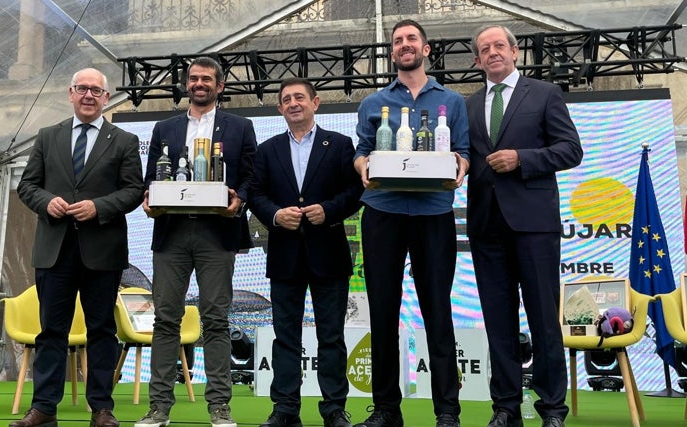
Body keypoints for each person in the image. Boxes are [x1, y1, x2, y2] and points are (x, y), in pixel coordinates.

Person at [352, 19, 469, 427]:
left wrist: (461, 166)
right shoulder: (373, 103)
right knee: (383, 311)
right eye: (398, 40)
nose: (405, 45)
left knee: (438, 311)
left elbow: (464, 152)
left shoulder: (452, 102)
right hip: (382, 212)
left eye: (411, 39)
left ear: (426, 49)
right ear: (392, 52)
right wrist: (362, 164)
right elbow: (362, 151)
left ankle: (447, 411)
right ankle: (386, 409)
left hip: (434, 213)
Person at [465, 25, 583, 427]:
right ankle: (506, 407)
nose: (493, 52)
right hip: (485, 228)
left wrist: (522, 159)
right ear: (478, 60)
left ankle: (552, 408)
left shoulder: (545, 93)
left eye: (500, 45)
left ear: (515, 52)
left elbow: (571, 150)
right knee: (498, 322)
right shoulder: (468, 104)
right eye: (485, 49)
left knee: (544, 320)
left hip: (533, 226)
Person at [14, 67, 144, 427]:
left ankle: (102, 409)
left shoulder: (124, 141)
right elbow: (28, 186)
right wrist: (46, 202)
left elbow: (134, 190)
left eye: (96, 90)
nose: (89, 95)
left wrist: (99, 206)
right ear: (70, 94)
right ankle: (43, 409)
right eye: (82, 89)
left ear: (106, 98)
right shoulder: (46, 136)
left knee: (102, 329)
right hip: (54, 249)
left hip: (102, 249)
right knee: (51, 330)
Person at [137, 56, 257, 427]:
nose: (199, 83)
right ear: (186, 85)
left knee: (216, 320)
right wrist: (149, 201)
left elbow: (252, 177)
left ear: (220, 86)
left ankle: (219, 406)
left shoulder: (240, 127)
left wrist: (239, 201)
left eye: (207, 79)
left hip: (216, 234)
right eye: (193, 78)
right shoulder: (165, 128)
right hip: (172, 234)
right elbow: (150, 180)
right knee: (165, 320)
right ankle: (159, 407)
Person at [249, 77, 363, 427]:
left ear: (316, 102)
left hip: (329, 253)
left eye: (300, 97)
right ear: (280, 108)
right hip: (284, 255)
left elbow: (355, 190)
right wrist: (273, 214)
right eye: (287, 99)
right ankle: (285, 409)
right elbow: (255, 194)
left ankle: (333, 409)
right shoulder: (267, 149)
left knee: (331, 336)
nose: (294, 103)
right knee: (285, 337)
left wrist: (329, 210)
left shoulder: (342, 145)